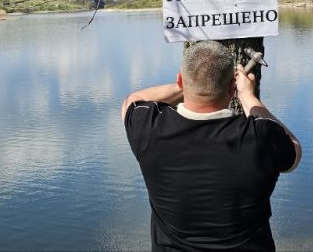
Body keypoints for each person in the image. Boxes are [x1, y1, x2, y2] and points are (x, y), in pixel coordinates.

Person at [121, 40, 302, 251]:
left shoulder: (149, 129)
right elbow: (294, 149)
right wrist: (247, 96)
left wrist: (187, 86)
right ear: (232, 87)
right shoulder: (261, 138)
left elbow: (133, 100)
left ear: (181, 80)